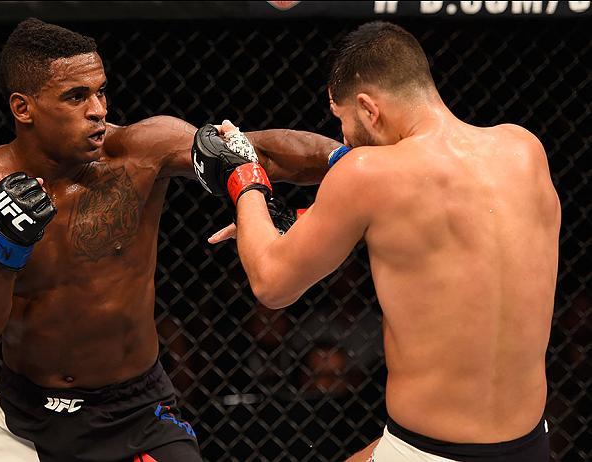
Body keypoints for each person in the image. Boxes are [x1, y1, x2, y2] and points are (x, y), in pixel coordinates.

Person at [0, 18, 340, 462]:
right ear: (23, 108)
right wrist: (5, 248)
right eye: (76, 96)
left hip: (136, 415)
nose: (98, 109)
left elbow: (261, 150)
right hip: (22, 421)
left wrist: (353, 161)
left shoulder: (140, 152)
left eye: (101, 91)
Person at [193, 21, 560, 462]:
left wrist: (245, 176)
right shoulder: (525, 150)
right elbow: (451, 235)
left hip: (428, 453)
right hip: (531, 445)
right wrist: (302, 222)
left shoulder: (368, 172)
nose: (345, 138)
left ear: (369, 108)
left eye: (343, 121)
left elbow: (271, 284)